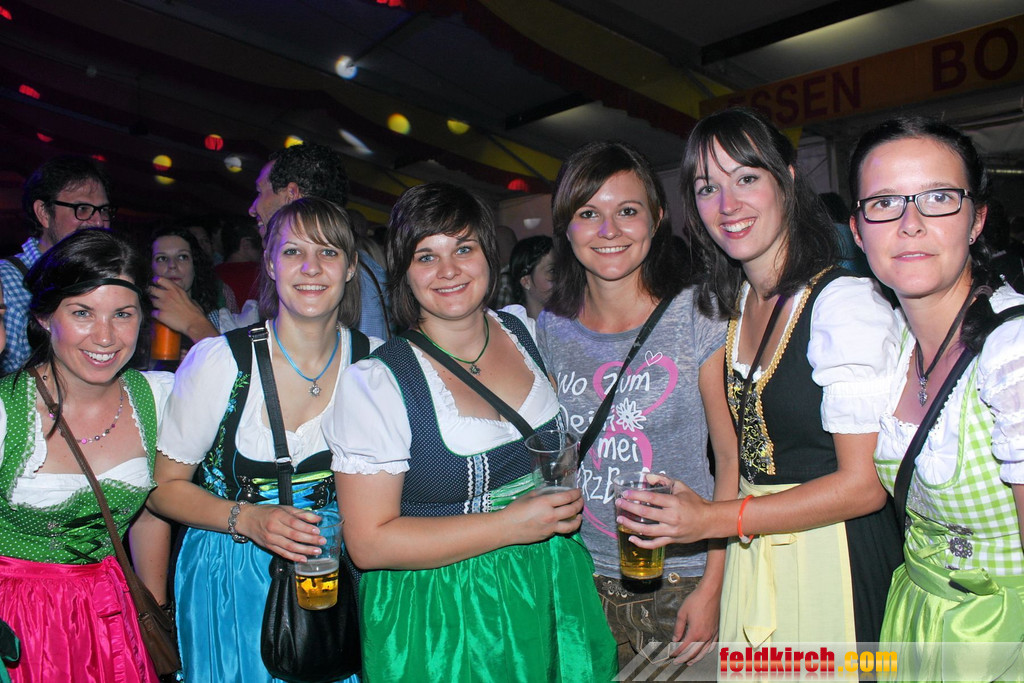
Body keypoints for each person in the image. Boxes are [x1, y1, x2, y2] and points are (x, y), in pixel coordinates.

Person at [623, 107, 903, 651]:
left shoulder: (843, 304)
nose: (728, 205)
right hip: (755, 555)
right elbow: (735, 459)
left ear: (787, 181)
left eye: (747, 178)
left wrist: (712, 519)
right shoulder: (732, 305)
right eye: (708, 188)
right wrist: (713, 573)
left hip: (834, 558)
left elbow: (864, 486)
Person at [327, 182, 616, 682]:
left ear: (489, 257)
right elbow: (368, 544)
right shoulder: (377, 383)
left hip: (551, 585)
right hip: (445, 613)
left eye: (464, 248)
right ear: (404, 273)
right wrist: (509, 525)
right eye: (426, 256)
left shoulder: (526, 331)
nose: (449, 270)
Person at [148, 198, 372, 682]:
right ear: (270, 263)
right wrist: (248, 518)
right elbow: (162, 488)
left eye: (329, 252)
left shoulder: (375, 365)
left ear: (351, 267)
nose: (311, 267)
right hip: (230, 574)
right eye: (293, 252)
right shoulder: (219, 361)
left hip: (335, 574)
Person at [536, 140, 736, 672]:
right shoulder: (552, 326)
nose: (609, 231)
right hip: (582, 580)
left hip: (680, 580)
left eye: (627, 211)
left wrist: (715, 585)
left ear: (657, 216)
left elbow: (730, 458)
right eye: (588, 214)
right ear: (566, 227)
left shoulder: (698, 312)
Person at [849, 117, 1024, 680]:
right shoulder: (894, 344)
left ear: (977, 220)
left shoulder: (1012, 353)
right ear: (858, 232)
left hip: (1000, 640)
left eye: (939, 198)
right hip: (915, 620)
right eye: (884, 203)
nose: (911, 224)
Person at [0, 228, 173, 682]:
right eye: (82, 313)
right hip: (19, 627)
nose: (105, 336)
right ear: (44, 316)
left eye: (123, 314)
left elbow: (150, 513)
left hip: (114, 619)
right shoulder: (6, 411)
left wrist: (154, 615)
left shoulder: (156, 398)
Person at [1, 156, 113, 374]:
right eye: (82, 208)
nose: (99, 221)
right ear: (44, 213)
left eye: (104, 210)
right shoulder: (6, 282)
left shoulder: (106, 280)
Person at [148, 225, 236, 365]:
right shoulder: (137, 318)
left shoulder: (216, 318)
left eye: (182, 257)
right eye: (162, 258)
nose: (172, 265)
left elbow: (232, 368)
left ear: (195, 266)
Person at [509, 235, 554, 319]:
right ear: (526, 282)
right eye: (552, 271)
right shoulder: (511, 324)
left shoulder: (571, 322)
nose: (562, 278)